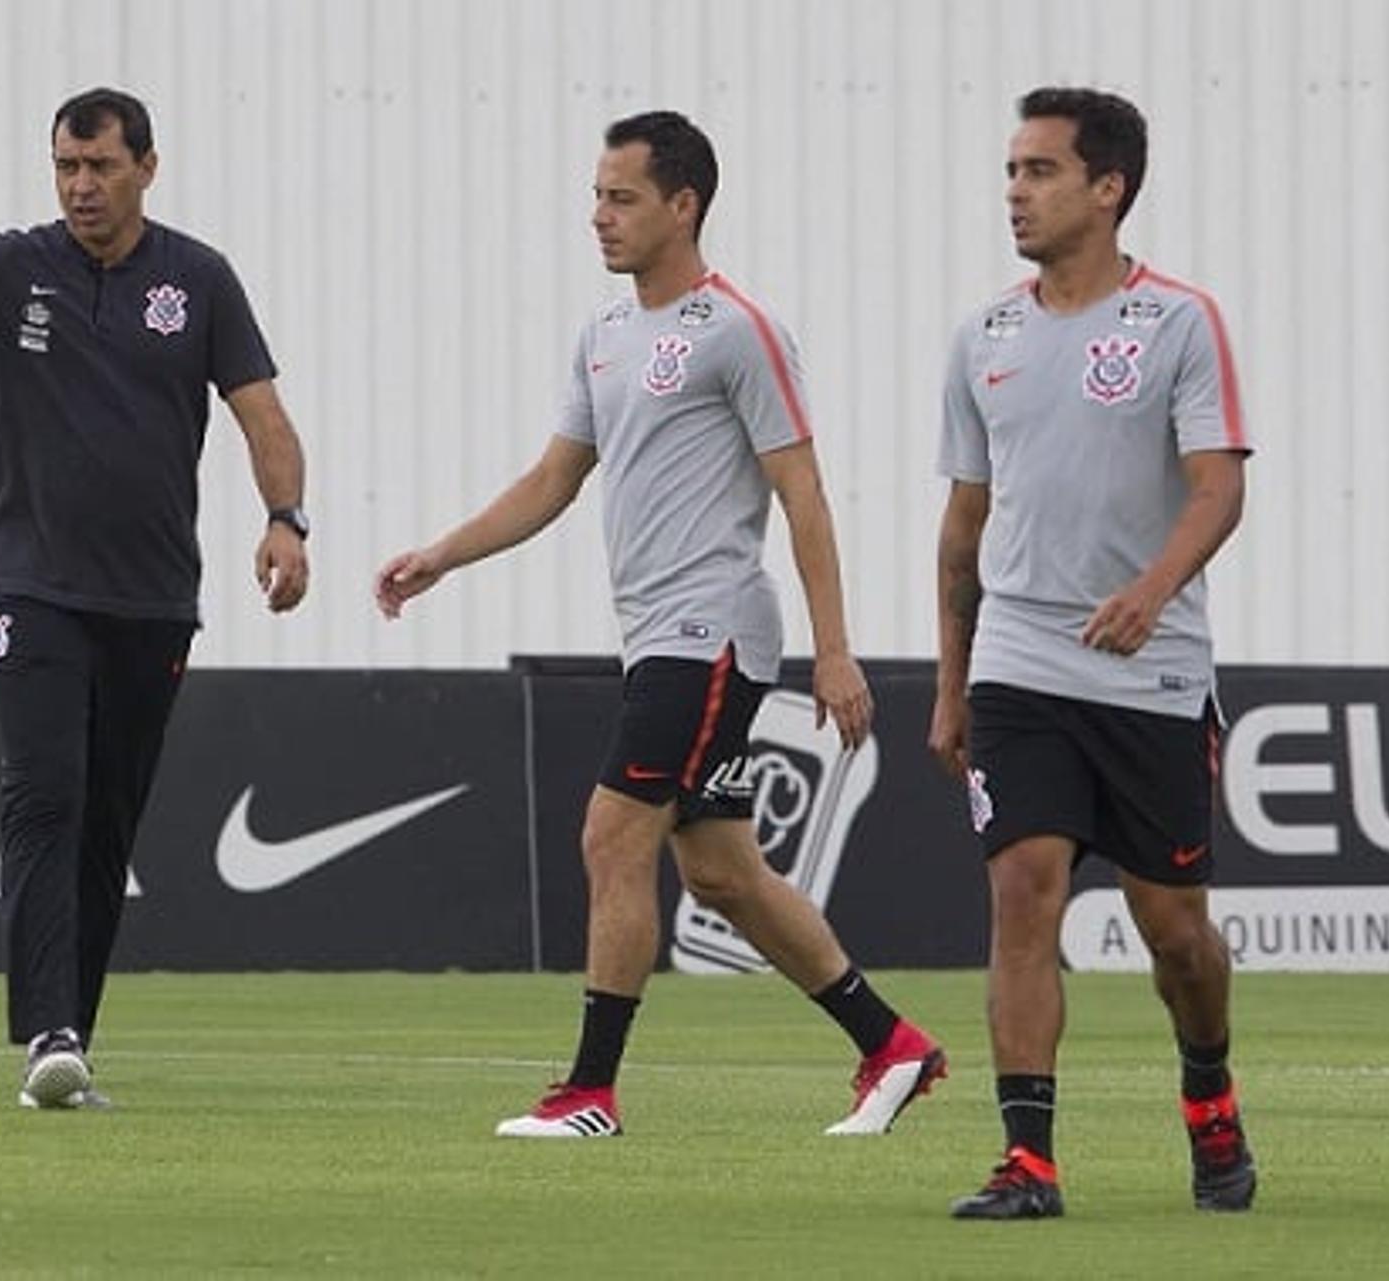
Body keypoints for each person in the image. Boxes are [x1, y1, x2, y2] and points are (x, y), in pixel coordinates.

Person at [377, 110, 944, 1139]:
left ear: (683, 206)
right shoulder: (602, 335)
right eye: (597, 195)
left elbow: (803, 492)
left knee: (612, 833)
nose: (599, 216)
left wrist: (837, 651)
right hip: (659, 640)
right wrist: (440, 555)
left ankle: (590, 1092)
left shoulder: (737, 330)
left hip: (712, 633)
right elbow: (554, 478)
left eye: (622, 197)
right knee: (723, 873)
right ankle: (892, 1046)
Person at [0, 87, 310, 1109]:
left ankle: (67, 1033)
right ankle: (46, 1030)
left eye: (100, 168)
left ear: (147, 169)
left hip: (155, 599)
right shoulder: (9, 269)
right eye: (66, 168)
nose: (81, 187)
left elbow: (260, 410)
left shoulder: (199, 280)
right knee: (45, 795)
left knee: (108, 822)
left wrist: (286, 520)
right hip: (27, 588)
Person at [931, 87, 1255, 1217]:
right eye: (1012, 170)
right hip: (1019, 662)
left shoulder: (1178, 323)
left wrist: (1153, 589)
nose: (1015, 191)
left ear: (1107, 187)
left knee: (1176, 935)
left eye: (1040, 171)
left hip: (1152, 671)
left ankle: (1209, 1096)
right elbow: (965, 524)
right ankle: (1028, 1162)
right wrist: (950, 679)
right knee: (1024, 889)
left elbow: (1220, 488)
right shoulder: (985, 335)